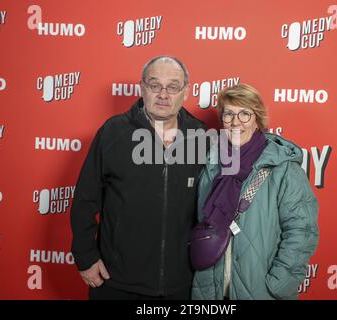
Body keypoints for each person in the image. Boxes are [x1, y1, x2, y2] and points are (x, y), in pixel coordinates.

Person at [70, 55, 206, 300]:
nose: (163, 94)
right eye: (155, 85)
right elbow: (84, 199)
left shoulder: (201, 137)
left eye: (173, 87)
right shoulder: (113, 132)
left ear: (185, 92)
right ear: (142, 88)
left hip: (181, 285)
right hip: (117, 282)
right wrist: (86, 257)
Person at [191, 84, 319, 300]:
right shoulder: (211, 164)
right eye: (229, 114)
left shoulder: (283, 167)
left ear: (257, 119)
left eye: (244, 114)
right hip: (210, 290)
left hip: (260, 291)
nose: (235, 122)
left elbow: (302, 230)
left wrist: (279, 283)